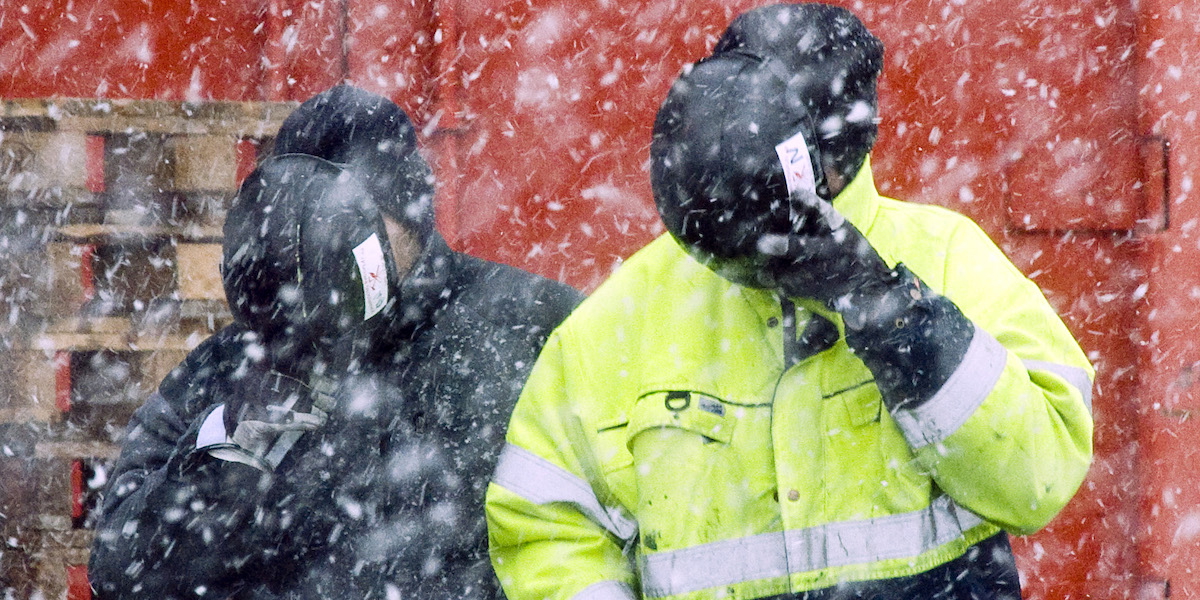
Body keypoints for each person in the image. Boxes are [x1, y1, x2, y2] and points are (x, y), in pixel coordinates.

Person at [484, 4, 1094, 600]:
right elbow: (546, 522)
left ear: (834, 154)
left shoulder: (948, 259)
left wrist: (892, 315)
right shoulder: (623, 317)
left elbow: (1038, 479)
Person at [89, 85, 582, 599]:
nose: (326, 255)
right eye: (298, 230)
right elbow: (123, 575)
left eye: (347, 226)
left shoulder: (534, 328)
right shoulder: (229, 367)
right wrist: (217, 455)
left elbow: (606, 530)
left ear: (406, 214)